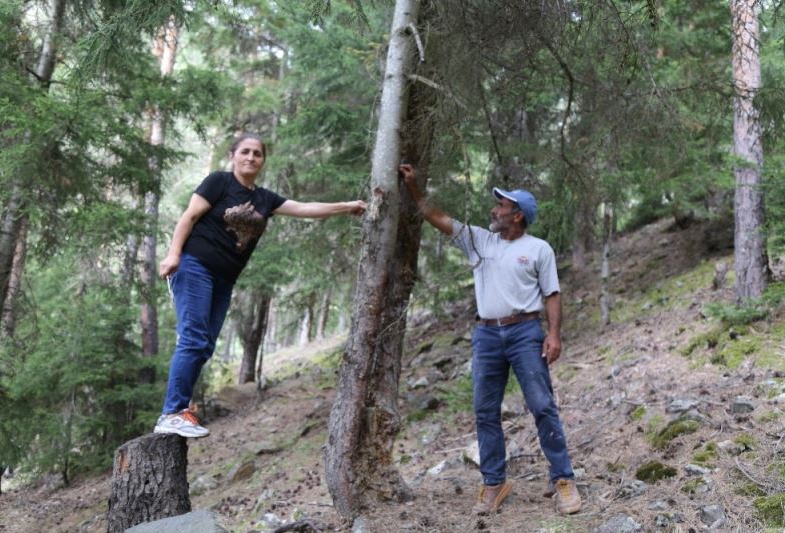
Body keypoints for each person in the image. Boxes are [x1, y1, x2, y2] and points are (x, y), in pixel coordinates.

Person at [154, 133, 366, 438]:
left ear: (262, 161)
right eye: (245, 152)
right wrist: (173, 254)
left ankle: (179, 409)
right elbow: (189, 217)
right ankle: (171, 413)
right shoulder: (219, 182)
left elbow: (305, 209)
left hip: (225, 279)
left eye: (257, 154)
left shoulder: (266, 199)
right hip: (195, 266)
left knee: (204, 345)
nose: (251, 158)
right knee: (193, 339)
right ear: (233, 156)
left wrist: (346, 206)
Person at [400, 164, 581, 516]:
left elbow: (552, 294)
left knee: (542, 406)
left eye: (500, 206)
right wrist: (414, 186)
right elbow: (435, 215)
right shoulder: (480, 241)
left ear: (517, 215)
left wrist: (554, 335)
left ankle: (563, 480)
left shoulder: (539, 249)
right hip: (486, 335)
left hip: (525, 333)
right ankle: (494, 483)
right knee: (485, 411)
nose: (493, 210)